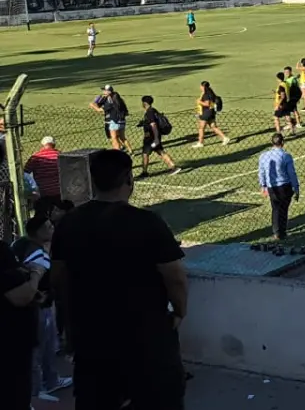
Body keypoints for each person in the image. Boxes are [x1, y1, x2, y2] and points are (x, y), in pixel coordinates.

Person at [51, 149, 189, 410]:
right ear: (129, 179)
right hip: (145, 338)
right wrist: (180, 311)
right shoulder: (147, 222)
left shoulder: (70, 223)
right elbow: (175, 278)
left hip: (91, 336)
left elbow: (58, 276)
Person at [12, 214, 72, 402]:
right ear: (38, 232)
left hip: (35, 306)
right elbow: (33, 277)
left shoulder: (21, 245)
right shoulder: (38, 254)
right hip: (39, 308)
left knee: (44, 346)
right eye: (48, 227)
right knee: (40, 347)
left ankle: (49, 380)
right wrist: (39, 296)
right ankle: (37, 391)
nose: (52, 229)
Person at [0, 233, 45, 410]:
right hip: (11, 339)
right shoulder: (3, 252)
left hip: (15, 339)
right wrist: (36, 274)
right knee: (14, 390)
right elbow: (20, 296)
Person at [258, 133, 300, 241]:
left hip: (272, 187)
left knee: (275, 209)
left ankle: (276, 232)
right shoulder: (286, 156)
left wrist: (263, 185)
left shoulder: (264, 155)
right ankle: (282, 232)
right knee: (283, 209)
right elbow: (292, 173)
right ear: (282, 143)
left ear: (272, 143)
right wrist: (296, 187)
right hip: (284, 186)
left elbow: (261, 172)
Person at [139, 97, 181, 178]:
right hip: (155, 135)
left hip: (151, 137)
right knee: (160, 152)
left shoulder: (149, 112)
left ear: (144, 103)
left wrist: (156, 139)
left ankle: (144, 172)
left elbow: (153, 125)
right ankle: (173, 167)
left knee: (145, 154)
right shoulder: (153, 110)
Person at [90, 84, 132, 153]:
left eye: (104, 90)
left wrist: (92, 105)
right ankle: (131, 151)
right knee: (122, 137)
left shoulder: (110, 102)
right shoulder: (117, 98)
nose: (103, 92)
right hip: (122, 121)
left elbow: (100, 110)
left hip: (114, 122)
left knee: (114, 138)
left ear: (109, 92)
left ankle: (117, 154)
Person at [24, 137, 62, 204]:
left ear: (43, 145)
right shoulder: (60, 155)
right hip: (59, 190)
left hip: (42, 191)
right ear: (54, 145)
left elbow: (26, 171)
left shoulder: (36, 157)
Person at [194, 80, 230, 148]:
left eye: (201, 86)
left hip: (206, 113)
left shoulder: (206, 94)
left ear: (203, 86)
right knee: (213, 127)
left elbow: (207, 104)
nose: (200, 87)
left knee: (201, 128)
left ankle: (200, 143)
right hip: (211, 112)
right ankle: (225, 138)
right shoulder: (211, 93)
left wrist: (199, 102)